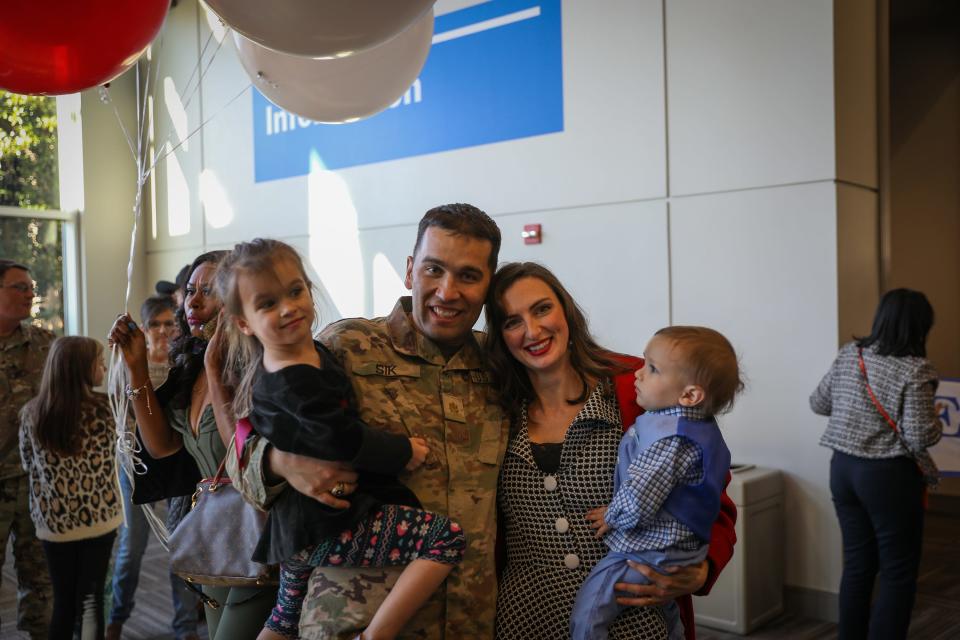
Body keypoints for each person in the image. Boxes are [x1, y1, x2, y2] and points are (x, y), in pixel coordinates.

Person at [228, 204, 510, 638]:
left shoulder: (501, 368)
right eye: (434, 269)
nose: (447, 291)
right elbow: (240, 458)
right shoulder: (346, 346)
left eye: (468, 276)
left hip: (469, 622)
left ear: (488, 285)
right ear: (410, 270)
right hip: (349, 620)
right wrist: (282, 464)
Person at [483, 262, 738, 640]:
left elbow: (712, 494)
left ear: (565, 310)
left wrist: (702, 570)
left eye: (541, 309)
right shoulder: (492, 408)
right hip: (525, 619)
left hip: (635, 621)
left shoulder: (639, 385)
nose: (532, 331)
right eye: (511, 321)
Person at [108, 252, 277, 640]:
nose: (194, 302)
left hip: (263, 538)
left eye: (210, 291)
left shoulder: (263, 365)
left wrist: (217, 373)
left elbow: (247, 454)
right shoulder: (194, 365)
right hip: (217, 535)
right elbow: (164, 447)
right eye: (191, 291)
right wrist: (136, 367)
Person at [571, 326, 742, 640]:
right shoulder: (693, 424)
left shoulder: (670, 438)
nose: (638, 373)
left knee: (589, 610)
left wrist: (611, 515)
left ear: (690, 394)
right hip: (679, 549)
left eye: (651, 368)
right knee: (667, 613)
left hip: (648, 550)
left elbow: (639, 495)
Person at [810, 288, 942, 639]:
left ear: (881, 317)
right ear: (920, 326)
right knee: (898, 570)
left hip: (843, 470)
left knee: (857, 564)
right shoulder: (915, 368)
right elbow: (919, 435)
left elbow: (818, 403)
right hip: (888, 477)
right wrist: (937, 418)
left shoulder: (850, 354)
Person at [107, 295, 201, 640]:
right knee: (133, 548)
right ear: (144, 329)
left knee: (181, 543)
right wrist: (137, 369)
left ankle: (186, 626)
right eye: (155, 325)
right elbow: (121, 411)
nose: (163, 330)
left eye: (169, 323)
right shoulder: (129, 363)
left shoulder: (184, 362)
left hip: (177, 466)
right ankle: (116, 619)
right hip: (136, 466)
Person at [19, 336, 121, 640]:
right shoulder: (105, 410)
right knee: (90, 601)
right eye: (99, 362)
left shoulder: (32, 413)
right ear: (81, 369)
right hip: (99, 521)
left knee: (63, 601)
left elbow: (27, 464)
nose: (103, 366)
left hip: (54, 523)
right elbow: (120, 453)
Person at [0, 258, 53, 639]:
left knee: (40, 581)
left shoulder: (44, 343)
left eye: (31, 287)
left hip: (36, 481)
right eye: (19, 287)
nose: (29, 294)